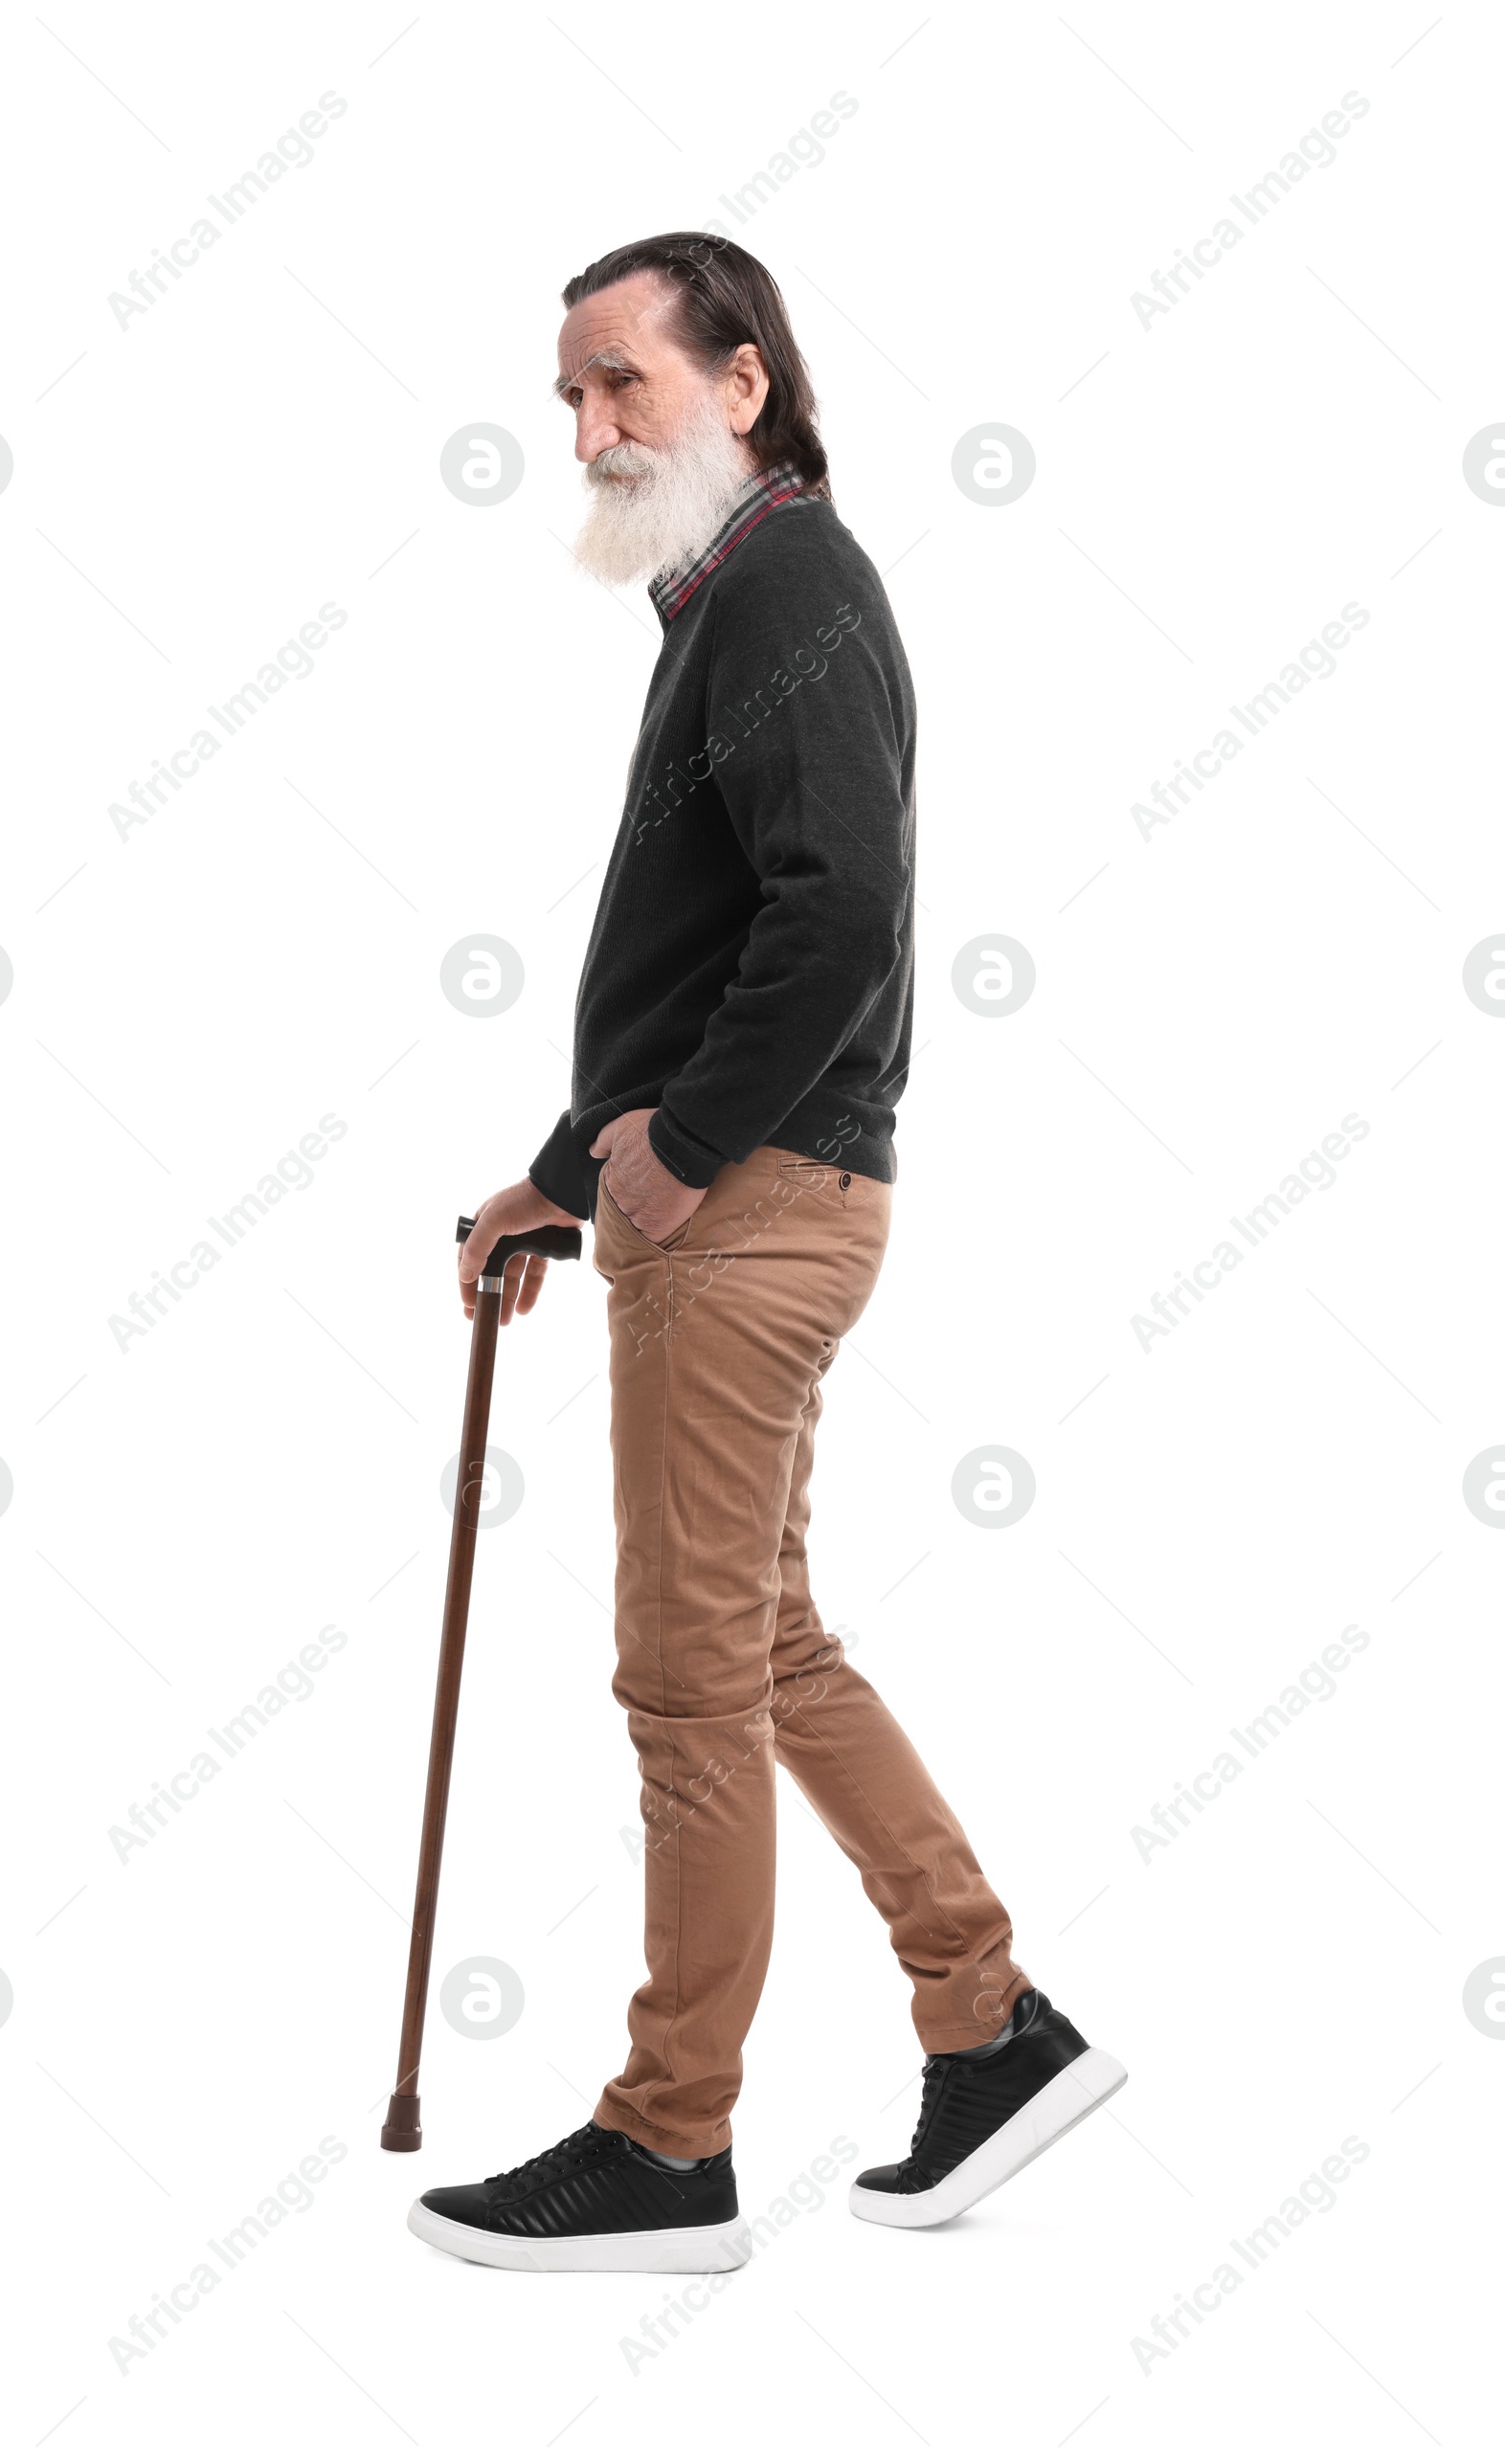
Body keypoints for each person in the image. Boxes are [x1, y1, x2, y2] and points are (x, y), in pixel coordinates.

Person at [407, 233, 1125, 2276]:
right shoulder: (724, 596)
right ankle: (986, 2025)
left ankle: (669, 2147)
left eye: (620, 382)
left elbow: (837, 913)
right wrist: (570, 1169)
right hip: (744, 1191)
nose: (586, 429)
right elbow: (722, 947)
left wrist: (681, 1156)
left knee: (681, 1680)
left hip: (753, 1207)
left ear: (742, 382)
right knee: (767, 1645)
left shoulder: (789, 581)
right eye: (567, 397)